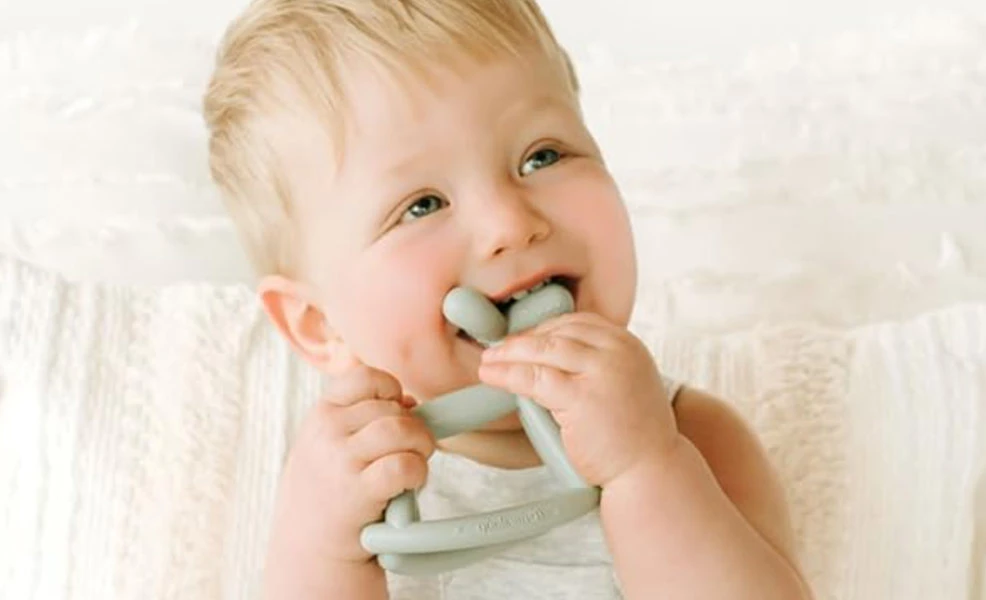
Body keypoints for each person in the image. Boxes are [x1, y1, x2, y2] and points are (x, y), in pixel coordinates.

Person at [203, 1, 812, 598]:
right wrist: (323, 556)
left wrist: (645, 467)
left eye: (541, 155)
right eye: (421, 205)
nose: (509, 225)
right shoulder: (343, 483)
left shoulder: (690, 435)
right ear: (320, 326)